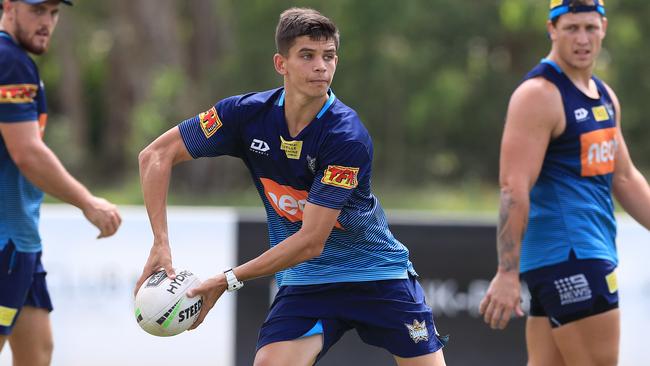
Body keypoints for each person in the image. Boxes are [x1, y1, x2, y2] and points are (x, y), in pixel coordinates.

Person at [136, 7, 447, 366]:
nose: (321, 66)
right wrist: (160, 243)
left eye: (328, 56)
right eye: (307, 56)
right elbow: (155, 156)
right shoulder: (244, 115)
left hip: (376, 273)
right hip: (307, 281)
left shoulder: (346, 136)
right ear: (280, 63)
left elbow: (311, 241)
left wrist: (227, 280)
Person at [479, 0, 650, 365]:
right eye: (571, 28)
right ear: (552, 29)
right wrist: (506, 272)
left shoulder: (603, 95)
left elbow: (624, 176)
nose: (583, 39)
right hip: (574, 259)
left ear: (604, 27)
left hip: (567, 261)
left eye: (590, 27)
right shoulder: (539, 94)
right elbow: (513, 187)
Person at [0, 1, 122, 365]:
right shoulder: (10, 61)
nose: (47, 22)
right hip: (5, 243)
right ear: (7, 5)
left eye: (53, 13)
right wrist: (88, 201)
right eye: (37, 10)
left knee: (38, 353)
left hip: (21, 242)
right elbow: (27, 153)